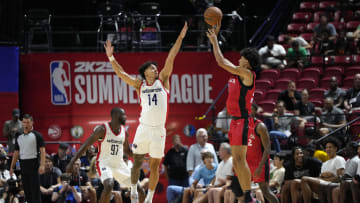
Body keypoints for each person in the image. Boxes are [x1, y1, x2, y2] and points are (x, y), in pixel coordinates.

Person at [104, 22, 188, 203]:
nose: (155, 69)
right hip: (144, 128)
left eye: (156, 67)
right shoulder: (139, 85)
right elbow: (122, 74)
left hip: (159, 129)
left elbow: (171, 56)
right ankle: (134, 190)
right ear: (145, 72)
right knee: (137, 161)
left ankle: (149, 199)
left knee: (155, 164)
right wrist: (111, 58)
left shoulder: (163, 80)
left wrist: (180, 37)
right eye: (152, 68)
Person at [207, 26, 261, 203]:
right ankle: (246, 195)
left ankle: (248, 195)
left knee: (239, 158)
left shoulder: (247, 73)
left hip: (243, 121)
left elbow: (222, 62)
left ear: (248, 62)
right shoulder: (238, 74)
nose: (239, 59)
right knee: (237, 161)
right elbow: (223, 64)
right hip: (235, 121)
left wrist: (215, 41)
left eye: (242, 57)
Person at [66, 108, 144, 203]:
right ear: (115, 116)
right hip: (104, 164)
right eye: (123, 115)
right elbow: (86, 145)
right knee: (109, 185)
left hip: (119, 165)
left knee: (140, 189)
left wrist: (140, 156)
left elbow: (127, 150)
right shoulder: (102, 129)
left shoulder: (124, 132)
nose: (125, 117)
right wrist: (72, 162)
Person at [9, 114, 46, 203]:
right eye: (24, 122)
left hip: (34, 165)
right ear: (22, 123)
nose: (26, 124)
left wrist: (42, 165)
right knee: (27, 191)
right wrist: (12, 167)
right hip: (23, 165)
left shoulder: (37, 135)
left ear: (32, 123)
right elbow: (16, 153)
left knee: (35, 192)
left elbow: (43, 151)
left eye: (28, 122)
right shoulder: (19, 136)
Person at [247, 104, 279, 203]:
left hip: (259, 163)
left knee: (265, 191)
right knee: (241, 190)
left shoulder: (260, 126)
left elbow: (267, 148)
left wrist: (260, 166)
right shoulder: (243, 125)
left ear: (255, 111)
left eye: (250, 109)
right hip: (248, 162)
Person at [301, 137, 346, 203]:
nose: (328, 149)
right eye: (326, 147)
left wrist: (324, 179)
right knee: (297, 182)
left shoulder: (339, 159)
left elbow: (341, 177)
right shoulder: (324, 163)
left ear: (336, 149)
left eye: (330, 147)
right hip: (324, 184)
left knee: (304, 179)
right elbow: (321, 178)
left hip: (334, 185)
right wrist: (323, 178)